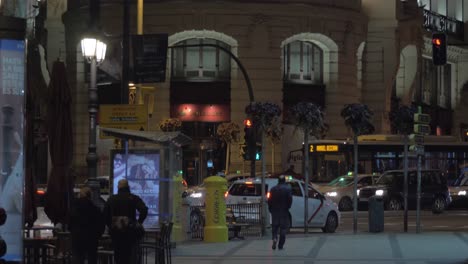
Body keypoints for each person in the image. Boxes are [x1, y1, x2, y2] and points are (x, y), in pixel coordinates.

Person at [103, 179, 148, 264]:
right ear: (128, 187)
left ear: (118, 187)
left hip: (116, 233)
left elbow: (105, 215)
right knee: (130, 255)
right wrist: (139, 222)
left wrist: (111, 225)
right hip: (130, 233)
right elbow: (144, 210)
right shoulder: (133, 198)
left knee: (118, 255)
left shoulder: (112, 199)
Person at [69, 186, 105, 264]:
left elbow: (69, 223)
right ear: (90, 196)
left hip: (77, 237)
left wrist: (73, 232)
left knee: (78, 258)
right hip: (91, 238)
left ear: (80, 195)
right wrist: (98, 235)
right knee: (92, 258)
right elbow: (101, 225)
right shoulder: (95, 209)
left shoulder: (74, 208)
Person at [268, 175, 292, 250]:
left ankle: (274, 238)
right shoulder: (288, 189)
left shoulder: (273, 189)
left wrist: (271, 209)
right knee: (283, 228)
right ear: (284, 181)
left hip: (275, 211)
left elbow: (269, 200)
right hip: (284, 211)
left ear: (278, 181)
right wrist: (288, 207)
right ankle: (280, 245)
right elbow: (290, 200)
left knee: (274, 227)